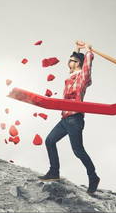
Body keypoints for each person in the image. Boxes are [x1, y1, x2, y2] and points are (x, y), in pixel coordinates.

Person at [38, 40, 100, 194]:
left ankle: (93, 177)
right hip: (65, 118)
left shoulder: (82, 77)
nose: (69, 62)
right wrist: (77, 49)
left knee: (78, 150)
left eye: (72, 60)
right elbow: (76, 60)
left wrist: (88, 52)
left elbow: (87, 67)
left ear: (78, 63)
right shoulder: (70, 77)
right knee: (49, 140)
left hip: (75, 118)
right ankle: (54, 172)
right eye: (70, 60)